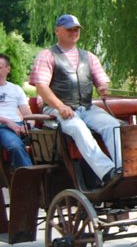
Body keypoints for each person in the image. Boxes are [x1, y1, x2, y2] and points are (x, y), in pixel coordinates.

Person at [29, 14, 121, 185]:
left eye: (76, 29)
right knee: (78, 128)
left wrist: (103, 88)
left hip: (86, 108)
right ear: (57, 31)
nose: (74, 32)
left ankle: (122, 169)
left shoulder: (89, 57)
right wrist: (60, 106)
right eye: (69, 29)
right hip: (55, 110)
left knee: (113, 126)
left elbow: (101, 80)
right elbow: (41, 87)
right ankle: (107, 172)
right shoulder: (46, 55)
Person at [0, 53, 33, 169]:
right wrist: (7, 121)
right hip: (2, 126)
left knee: (48, 142)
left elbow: (28, 114)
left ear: (7, 69)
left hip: (18, 126)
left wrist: (28, 126)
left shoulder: (16, 89)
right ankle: (30, 180)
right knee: (15, 145)